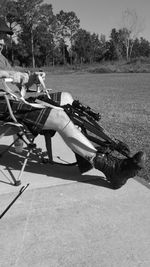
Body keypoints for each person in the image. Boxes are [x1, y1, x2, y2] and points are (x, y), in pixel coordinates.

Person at [0, 39, 146, 189]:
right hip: (4, 107)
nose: (2, 41)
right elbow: (8, 78)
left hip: (18, 100)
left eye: (3, 37)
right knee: (59, 117)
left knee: (66, 98)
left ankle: (84, 157)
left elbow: (17, 86)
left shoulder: (2, 58)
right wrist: (8, 74)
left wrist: (30, 79)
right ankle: (110, 168)